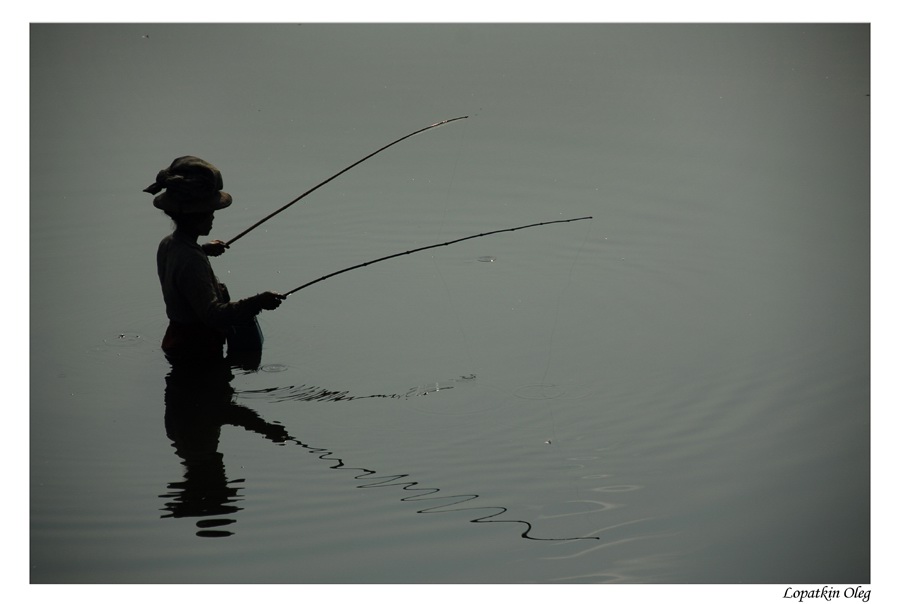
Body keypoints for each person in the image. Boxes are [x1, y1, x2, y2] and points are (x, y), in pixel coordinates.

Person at [145, 156, 285, 366]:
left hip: (177, 342)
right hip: (197, 352)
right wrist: (257, 302)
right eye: (209, 212)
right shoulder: (192, 259)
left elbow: (183, 267)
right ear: (196, 215)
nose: (213, 217)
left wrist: (203, 250)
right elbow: (213, 315)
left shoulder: (170, 244)